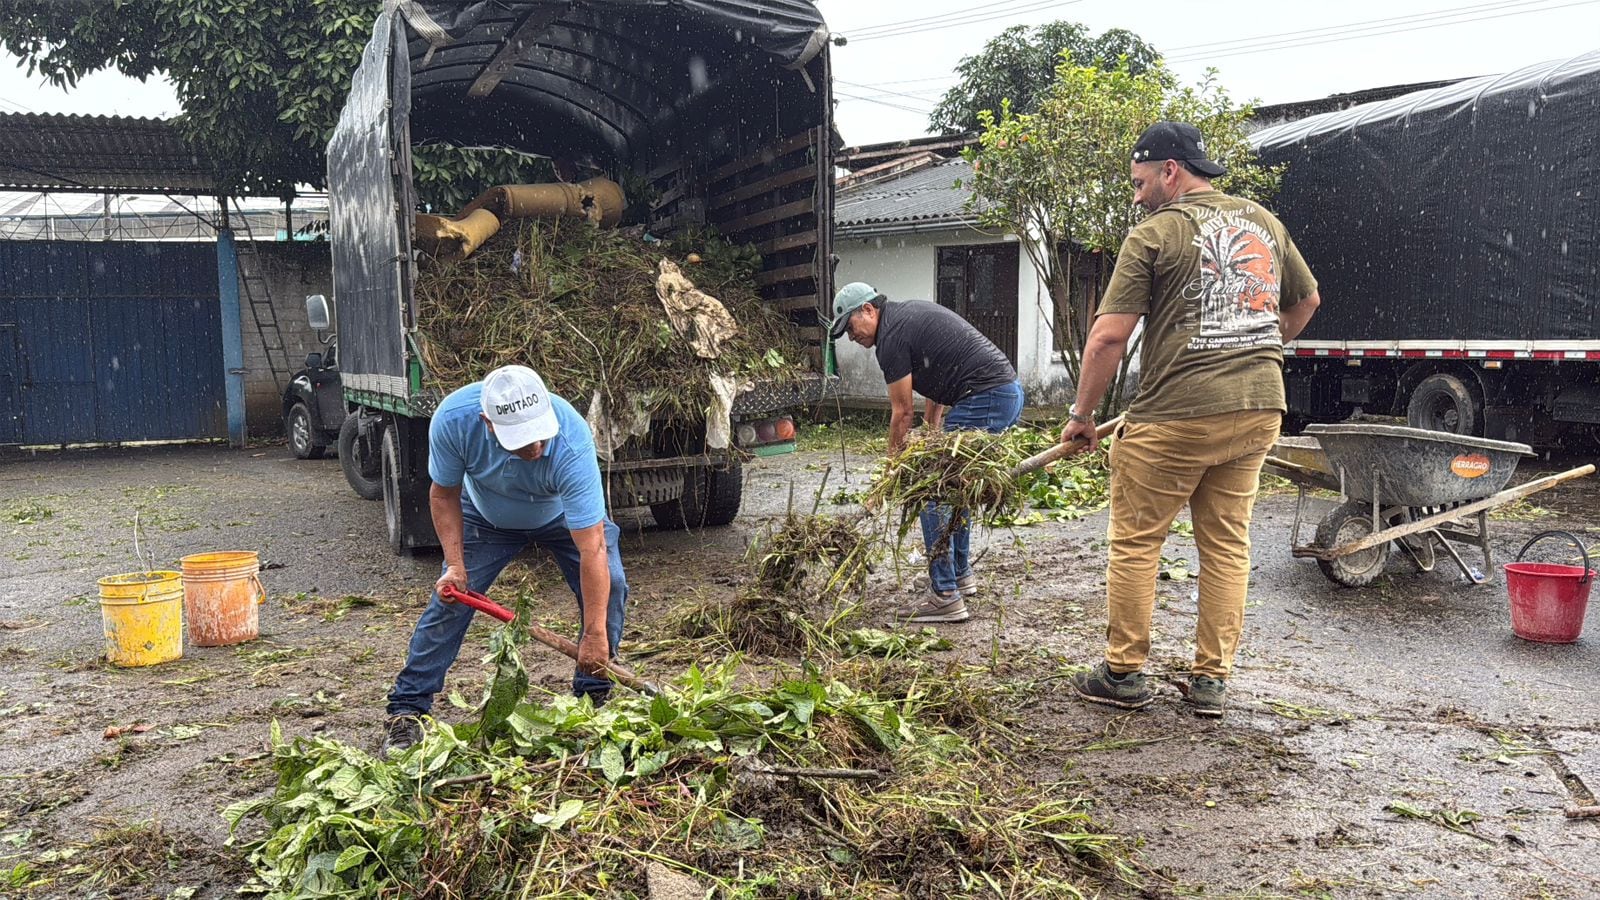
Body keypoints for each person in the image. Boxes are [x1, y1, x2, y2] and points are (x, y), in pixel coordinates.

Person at [1060, 121, 1322, 719]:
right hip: (1259, 407)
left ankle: (1123, 672)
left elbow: (1107, 338)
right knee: (1227, 544)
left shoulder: (1156, 233)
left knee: (1136, 541)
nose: (1136, 194)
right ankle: (1210, 682)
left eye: (1140, 180)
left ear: (1170, 170)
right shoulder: (1262, 221)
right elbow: (1306, 301)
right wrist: (1256, 346)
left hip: (1176, 415)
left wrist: (1081, 416)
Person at [382, 364, 628, 752]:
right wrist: (455, 565)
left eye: (538, 434)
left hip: (559, 517)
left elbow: (592, 547)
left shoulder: (572, 439)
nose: (535, 448)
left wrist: (594, 635)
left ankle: (592, 693)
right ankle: (408, 710)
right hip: (487, 518)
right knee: (449, 601)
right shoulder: (454, 420)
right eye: (521, 439)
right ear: (488, 423)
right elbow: (442, 495)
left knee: (609, 583)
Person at [831, 281, 1024, 624]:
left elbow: (902, 412)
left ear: (868, 310)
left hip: (985, 396)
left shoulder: (890, 339)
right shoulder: (904, 320)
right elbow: (938, 379)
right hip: (1003, 392)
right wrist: (934, 432)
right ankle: (959, 576)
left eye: (850, 326)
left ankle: (945, 594)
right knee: (954, 487)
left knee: (930, 491)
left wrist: (893, 469)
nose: (850, 336)